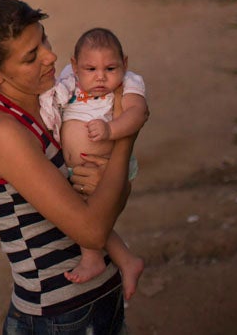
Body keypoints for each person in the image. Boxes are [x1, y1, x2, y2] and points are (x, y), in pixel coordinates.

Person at [0, 0, 143, 334]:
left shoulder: (51, 103)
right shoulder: (1, 131)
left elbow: (108, 200)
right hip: (58, 317)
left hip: (97, 302)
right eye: (32, 56)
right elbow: (92, 229)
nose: (51, 56)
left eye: (44, 38)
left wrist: (110, 181)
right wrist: (125, 137)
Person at [39, 27, 148, 299]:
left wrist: (112, 130)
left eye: (111, 68)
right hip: (77, 171)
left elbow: (138, 112)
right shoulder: (69, 81)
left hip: (105, 166)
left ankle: (93, 258)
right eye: (90, 69)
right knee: (83, 212)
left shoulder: (129, 82)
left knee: (86, 215)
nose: (101, 77)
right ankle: (126, 260)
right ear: (74, 66)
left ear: (125, 63)